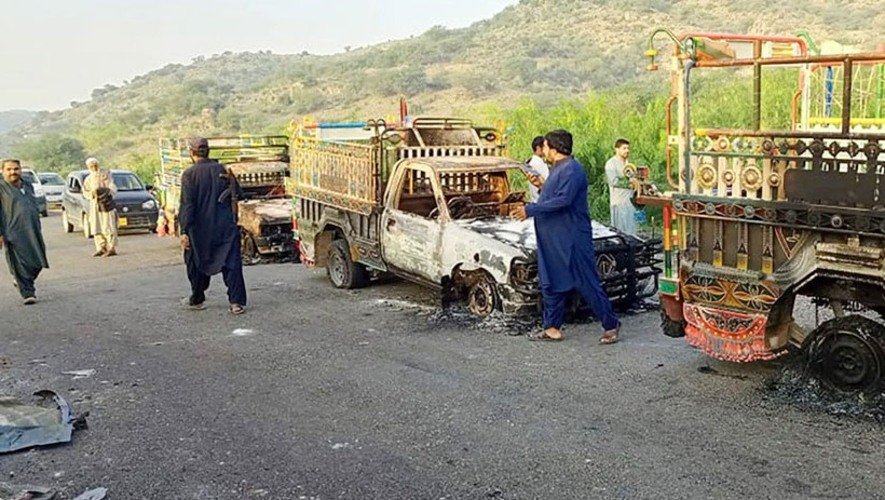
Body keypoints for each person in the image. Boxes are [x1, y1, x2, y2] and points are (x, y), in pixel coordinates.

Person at [512, 130, 620, 344]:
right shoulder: (557, 169)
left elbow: (563, 200)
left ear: (554, 148)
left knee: (586, 281)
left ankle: (610, 324)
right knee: (550, 281)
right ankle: (552, 327)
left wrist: (530, 210)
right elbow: (554, 195)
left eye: (545, 147)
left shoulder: (572, 169)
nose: (544, 152)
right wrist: (541, 185)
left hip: (571, 238)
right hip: (553, 238)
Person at [179, 137, 247, 314]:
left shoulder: (189, 174)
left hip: (200, 229)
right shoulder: (222, 170)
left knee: (194, 261)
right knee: (231, 263)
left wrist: (184, 231)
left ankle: (197, 296)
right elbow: (238, 194)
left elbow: (187, 205)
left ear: (191, 153)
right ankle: (236, 303)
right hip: (225, 225)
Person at [0, 159, 49, 305]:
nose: (13, 172)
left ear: (20, 169)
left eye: (15, 169)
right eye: (8, 169)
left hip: (32, 229)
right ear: (2, 171)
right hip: (12, 231)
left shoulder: (28, 185)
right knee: (19, 262)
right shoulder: (1, 188)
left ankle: (20, 279)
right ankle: (28, 292)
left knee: (37, 261)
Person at [82, 157, 119, 256]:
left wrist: (104, 191)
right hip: (95, 205)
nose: (94, 167)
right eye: (91, 166)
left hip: (106, 203)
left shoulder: (106, 174)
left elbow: (112, 187)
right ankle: (101, 247)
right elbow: (85, 192)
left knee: (108, 226)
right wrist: (92, 193)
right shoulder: (88, 179)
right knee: (96, 226)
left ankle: (111, 247)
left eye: (95, 165)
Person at [604, 138, 637, 235]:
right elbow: (614, 181)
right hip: (619, 202)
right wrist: (630, 184)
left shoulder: (628, 164)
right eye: (624, 148)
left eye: (628, 148)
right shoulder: (611, 163)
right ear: (616, 149)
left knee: (631, 228)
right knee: (619, 230)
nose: (627, 150)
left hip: (630, 201)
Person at [524, 136, 550, 202]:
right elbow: (548, 181)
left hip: (535, 199)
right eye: (544, 147)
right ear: (538, 148)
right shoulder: (539, 163)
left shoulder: (531, 162)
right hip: (542, 199)